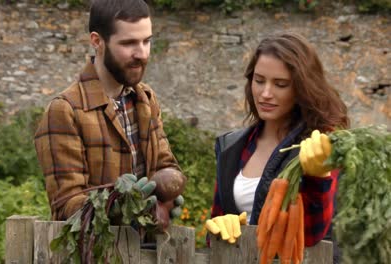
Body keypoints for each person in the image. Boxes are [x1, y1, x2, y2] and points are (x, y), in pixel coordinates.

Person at [34, 0, 186, 225]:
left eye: (147, 41)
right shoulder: (65, 111)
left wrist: (168, 192)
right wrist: (119, 207)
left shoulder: (145, 99)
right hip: (95, 256)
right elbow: (65, 205)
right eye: (129, 43)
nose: (142, 53)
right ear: (97, 41)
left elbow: (166, 165)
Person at [208, 32, 348, 260]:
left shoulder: (321, 145)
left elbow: (314, 236)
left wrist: (317, 179)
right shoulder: (230, 146)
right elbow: (213, 236)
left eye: (280, 84)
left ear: (303, 88)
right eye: (259, 80)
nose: (265, 94)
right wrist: (220, 228)